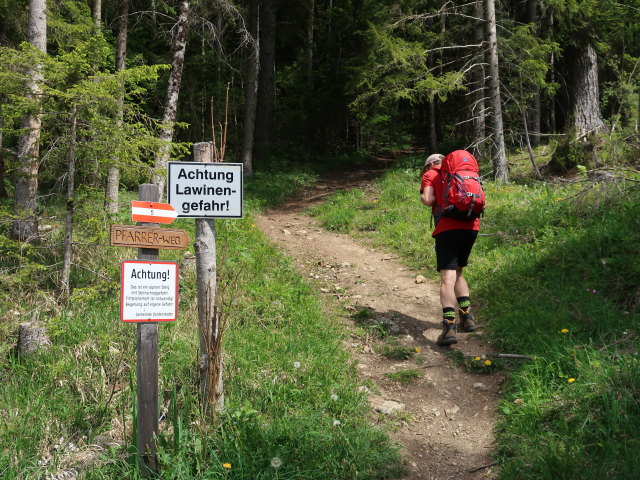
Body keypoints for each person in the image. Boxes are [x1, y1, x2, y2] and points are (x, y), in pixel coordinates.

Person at [420, 150, 479, 346]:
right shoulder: (456, 174)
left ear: (430, 165)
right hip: (471, 227)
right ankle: (467, 317)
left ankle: (449, 327)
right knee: (458, 272)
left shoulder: (431, 174)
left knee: (447, 278)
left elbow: (428, 200)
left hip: (448, 228)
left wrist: (427, 193)